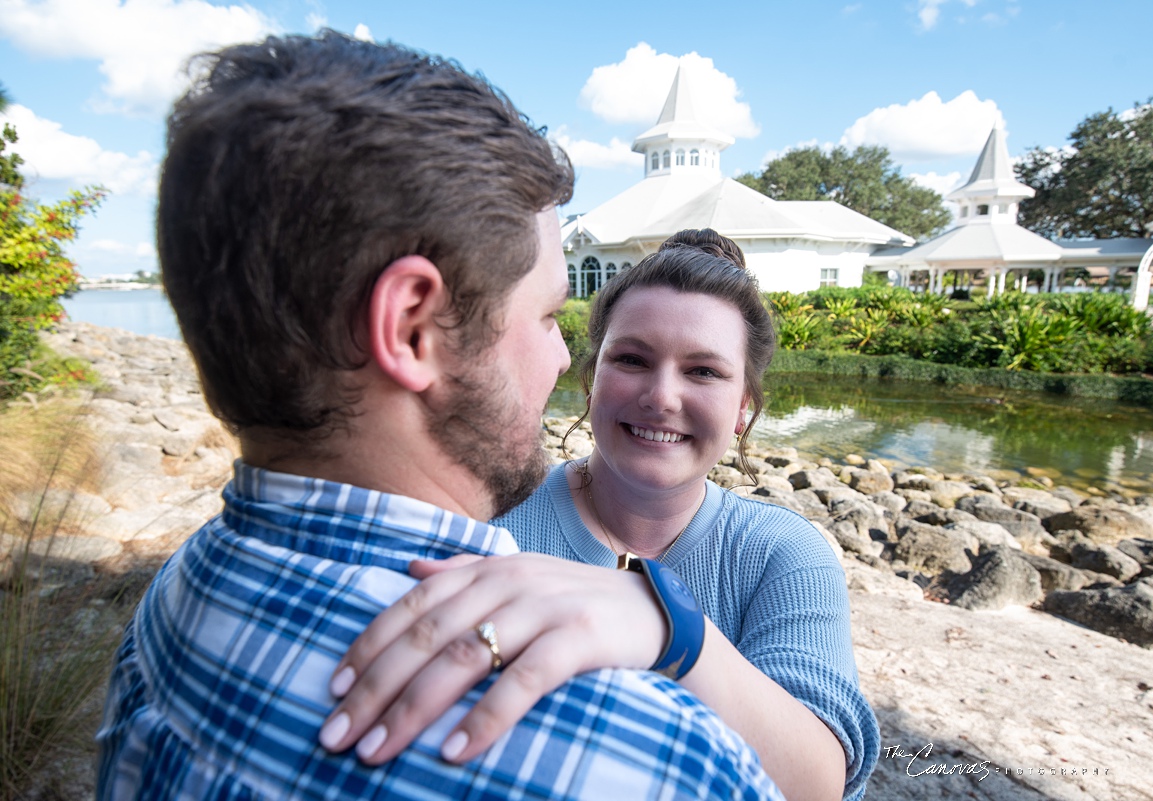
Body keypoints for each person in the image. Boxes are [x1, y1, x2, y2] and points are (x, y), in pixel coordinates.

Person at [94, 32, 786, 800]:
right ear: (412, 328)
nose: (564, 362)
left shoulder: (178, 592)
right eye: (552, 314)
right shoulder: (658, 758)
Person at [323, 230, 880, 800]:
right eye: (632, 359)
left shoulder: (783, 553)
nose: (662, 396)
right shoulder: (493, 508)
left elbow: (817, 783)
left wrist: (669, 629)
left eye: (704, 371)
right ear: (591, 380)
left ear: (744, 406)